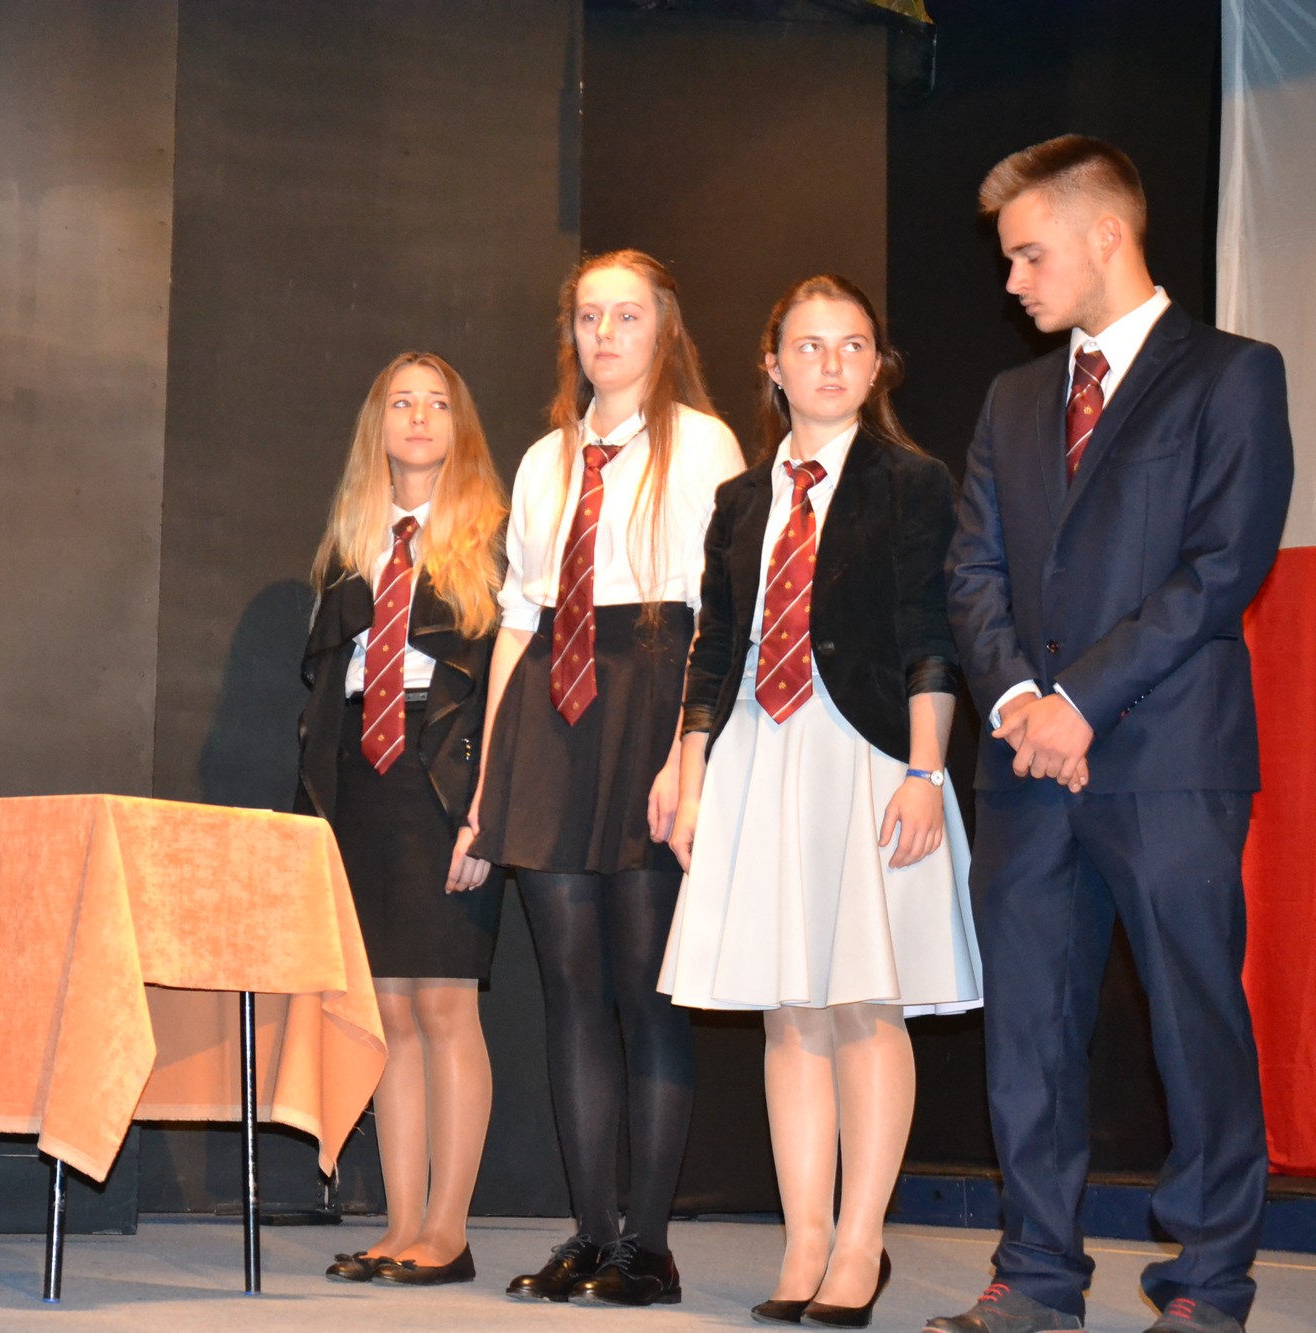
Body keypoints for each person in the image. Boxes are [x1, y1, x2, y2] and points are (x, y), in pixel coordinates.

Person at [934, 137, 1292, 1333]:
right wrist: (1014, 705)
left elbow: (1220, 567)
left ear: (1104, 235)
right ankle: (1036, 1274)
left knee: (1193, 1026)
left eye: (1028, 254)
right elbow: (971, 570)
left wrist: (1077, 701)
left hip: (1166, 760)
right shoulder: (1011, 399)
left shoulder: (1231, 374)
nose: (1011, 281)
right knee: (1028, 1029)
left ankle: (1206, 1284)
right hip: (1024, 767)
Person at [659, 274, 982, 1329]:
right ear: (772, 364)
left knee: (862, 1001)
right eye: (808, 345)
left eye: (851, 345)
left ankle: (859, 1242)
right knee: (788, 1008)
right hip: (761, 751)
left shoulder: (912, 481)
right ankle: (803, 1237)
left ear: (876, 364)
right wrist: (689, 770)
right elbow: (713, 648)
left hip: (868, 755)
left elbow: (931, 632)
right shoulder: (739, 500)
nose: (831, 363)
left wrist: (925, 772)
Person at [470, 250, 745, 1306]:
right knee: (570, 988)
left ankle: (649, 1244)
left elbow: (717, 613)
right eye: (589, 317)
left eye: (626, 316)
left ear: (662, 328)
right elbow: (517, 619)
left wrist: (686, 749)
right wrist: (491, 778)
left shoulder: (703, 444)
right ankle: (590, 1232)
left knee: (643, 984)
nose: (606, 335)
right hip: (549, 708)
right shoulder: (545, 459)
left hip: (651, 693)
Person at [297, 352, 508, 1288]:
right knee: (387, 1009)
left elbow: (505, 691)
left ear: (461, 426)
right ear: (375, 425)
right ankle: (400, 1222)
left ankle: (448, 1231)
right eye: (401, 402)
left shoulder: (495, 540)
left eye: (437, 404)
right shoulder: (353, 540)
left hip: (444, 780)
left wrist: (485, 811)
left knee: (445, 1003)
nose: (419, 418)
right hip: (363, 781)